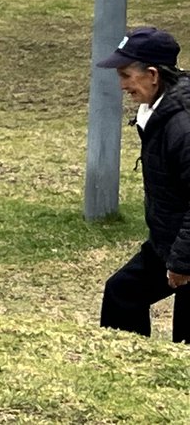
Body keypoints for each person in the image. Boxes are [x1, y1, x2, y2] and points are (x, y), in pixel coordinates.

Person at [97, 26, 190, 342]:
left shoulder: (183, 125)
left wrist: (181, 262)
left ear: (152, 74)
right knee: (123, 292)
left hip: (185, 248)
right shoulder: (156, 109)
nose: (122, 85)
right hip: (169, 242)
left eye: (126, 75)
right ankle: (124, 366)